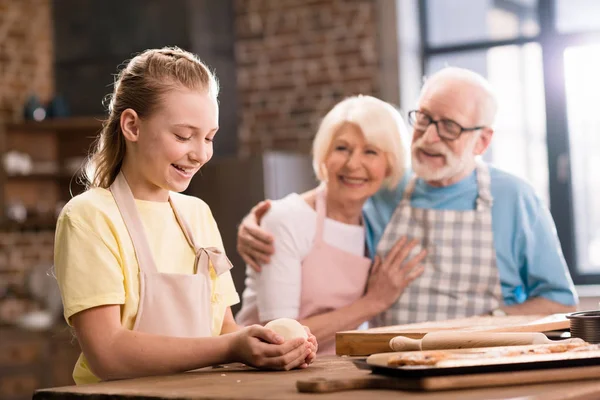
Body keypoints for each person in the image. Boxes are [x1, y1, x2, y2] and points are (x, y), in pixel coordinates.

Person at [53, 47, 316, 385]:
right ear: (132, 125)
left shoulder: (198, 214)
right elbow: (109, 353)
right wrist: (231, 347)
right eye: (183, 136)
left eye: (209, 138)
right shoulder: (90, 217)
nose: (201, 153)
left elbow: (224, 329)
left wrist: (270, 346)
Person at [237, 67, 578, 327]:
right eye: (425, 118)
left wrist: (492, 318)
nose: (430, 137)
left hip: (482, 367)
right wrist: (256, 222)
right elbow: (324, 202)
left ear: (482, 141)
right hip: (386, 372)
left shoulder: (513, 198)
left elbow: (560, 302)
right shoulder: (385, 188)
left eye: (450, 127)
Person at [235, 95, 427, 354]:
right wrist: (373, 302)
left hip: (333, 367)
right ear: (324, 153)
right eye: (342, 148)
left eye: (370, 151)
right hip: (265, 370)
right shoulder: (287, 219)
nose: (353, 164)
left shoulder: (375, 221)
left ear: (390, 164)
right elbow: (280, 336)